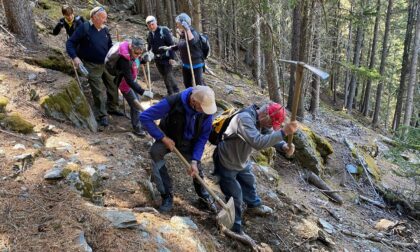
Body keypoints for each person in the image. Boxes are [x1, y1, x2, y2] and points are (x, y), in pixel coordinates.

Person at [212, 102, 298, 235]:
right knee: (235, 196)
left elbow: (267, 133)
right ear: (265, 114)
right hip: (227, 160)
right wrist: (283, 132)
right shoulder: (244, 119)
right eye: (271, 123)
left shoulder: (261, 120)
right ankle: (235, 227)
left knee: (248, 182)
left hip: (242, 160)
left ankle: (253, 206)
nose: (271, 127)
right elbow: (258, 142)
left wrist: (283, 146)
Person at [140, 86, 218, 213]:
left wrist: (194, 160)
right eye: (202, 109)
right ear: (193, 101)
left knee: (196, 168)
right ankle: (166, 195)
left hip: (189, 142)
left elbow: (203, 137)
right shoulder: (173, 101)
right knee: (155, 152)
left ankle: (203, 196)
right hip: (169, 136)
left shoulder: (206, 112)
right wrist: (163, 138)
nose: (205, 112)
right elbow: (145, 117)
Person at [66, 7, 120, 127]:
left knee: (113, 84)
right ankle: (102, 115)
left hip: (106, 63)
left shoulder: (105, 29)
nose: (105, 21)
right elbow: (70, 43)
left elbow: (110, 45)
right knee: (98, 89)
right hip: (91, 64)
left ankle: (113, 107)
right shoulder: (84, 28)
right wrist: (75, 57)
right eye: (103, 18)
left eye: (106, 18)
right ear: (94, 17)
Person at [105, 37, 154, 136]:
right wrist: (143, 91)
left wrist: (145, 59)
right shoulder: (124, 59)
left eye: (140, 53)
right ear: (131, 47)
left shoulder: (134, 53)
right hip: (125, 85)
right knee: (135, 105)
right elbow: (129, 81)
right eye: (136, 53)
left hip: (132, 82)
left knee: (137, 102)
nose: (138, 55)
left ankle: (139, 123)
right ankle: (137, 128)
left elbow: (137, 60)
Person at [166, 13, 205, 88]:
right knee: (187, 84)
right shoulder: (182, 34)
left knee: (199, 85)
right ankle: (190, 98)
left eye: (178, 24)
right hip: (186, 64)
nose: (177, 25)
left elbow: (192, 41)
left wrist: (187, 29)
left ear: (183, 24)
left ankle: (204, 98)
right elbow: (180, 45)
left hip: (196, 64)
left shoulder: (193, 32)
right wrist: (170, 48)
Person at [145, 16, 179, 95]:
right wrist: (148, 53)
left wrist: (171, 58)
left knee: (168, 75)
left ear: (156, 22)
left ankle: (176, 91)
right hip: (157, 59)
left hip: (167, 58)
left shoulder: (163, 31)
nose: (151, 26)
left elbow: (171, 45)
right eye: (149, 25)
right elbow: (150, 46)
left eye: (152, 24)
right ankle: (170, 92)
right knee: (164, 76)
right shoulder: (149, 34)